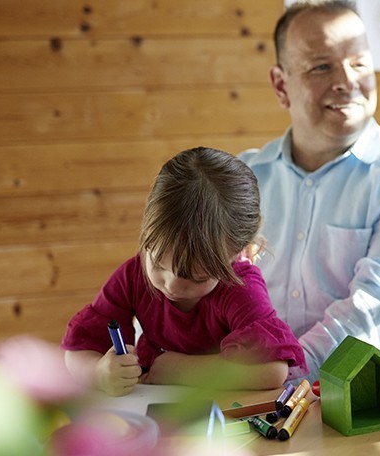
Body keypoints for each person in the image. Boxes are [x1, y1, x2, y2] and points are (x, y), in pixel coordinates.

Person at [239, 0, 380, 391]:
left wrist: (281, 374)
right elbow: (194, 287)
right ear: (281, 86)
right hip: (262, 403)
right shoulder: (242, 180)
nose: (347, 80)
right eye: (322, 66)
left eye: (360, 62)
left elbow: (377, 312)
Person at [61, 147, 305, 396]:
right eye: (157, 263)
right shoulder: (134, 275)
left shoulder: (239, 287)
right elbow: (77, 351)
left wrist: (180, 370)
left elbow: (273, 370)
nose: (172, 285)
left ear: (237, 253)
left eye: (195, 277)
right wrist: (99, 373)